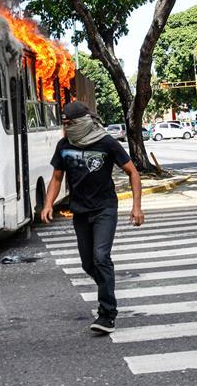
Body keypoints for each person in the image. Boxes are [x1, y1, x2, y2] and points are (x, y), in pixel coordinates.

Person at [40, 101, 144, 334]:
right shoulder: (64, 145)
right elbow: (57, 178)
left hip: (104, 208)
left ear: (83, 122)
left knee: (100, 257)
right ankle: (107, 288)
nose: (66, 128)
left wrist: (136, 207)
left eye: (70, 123)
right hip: (80, 210)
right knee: (88, 263)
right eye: (64, 124)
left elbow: (133, 173)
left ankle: (107, 314)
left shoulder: (106, 142)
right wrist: (48, 204)